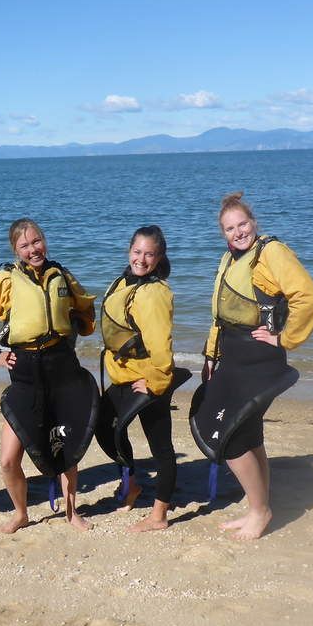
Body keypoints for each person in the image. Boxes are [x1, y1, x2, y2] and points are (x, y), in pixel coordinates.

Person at [195, 191, 313, 540]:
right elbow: (218, 316)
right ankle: (258, 507)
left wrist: (285, 338)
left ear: (254, 222)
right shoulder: (229, 259)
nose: (237, 233)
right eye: (229, 229)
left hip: (258, 359)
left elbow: (308, 296)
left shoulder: (270, 253)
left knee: (228, 437)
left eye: (242, 224)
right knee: (248, 432)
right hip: (231, 357)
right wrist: (210, 356)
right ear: (222, 233)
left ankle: (260, 510)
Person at [0, 217, 97, 534]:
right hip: (26, 372)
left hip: (62, 367)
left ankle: (71, 512)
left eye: (37, 241)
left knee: (67, 449)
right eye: (25, 245)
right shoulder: (6, 280)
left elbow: (85, 306)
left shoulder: (60, 273)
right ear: (15, 249)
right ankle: (21, 513)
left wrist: (81, 324)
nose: (33, 249)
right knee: (9, 460)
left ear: (44, 240)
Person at [95, 225, 189, 532]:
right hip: (124, 377)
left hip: (147, 381)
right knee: (106, 429)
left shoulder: (153, 293)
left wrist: (156, 382)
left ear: (159, 257)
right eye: (137, 252)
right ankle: (132, 485)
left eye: (149, 254)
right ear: (129, 250)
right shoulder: (126, 280)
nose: (141, 259)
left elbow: (161, 345)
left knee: (161, 447)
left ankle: (159, 515)